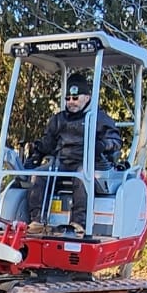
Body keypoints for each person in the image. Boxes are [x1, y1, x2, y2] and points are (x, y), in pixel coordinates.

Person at [23, 73, 122, 235]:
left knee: (81, 176)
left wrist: (103, 145)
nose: (71, 102)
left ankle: (78, 224)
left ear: (87, 97)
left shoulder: (98, 118)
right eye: (68, 98)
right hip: (62, 161)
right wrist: (36, 150)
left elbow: (115, 141)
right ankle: (37, 221)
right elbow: (48, 143)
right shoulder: (59, 120)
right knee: (39, 175)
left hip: (88, 163)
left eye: (75, 98)